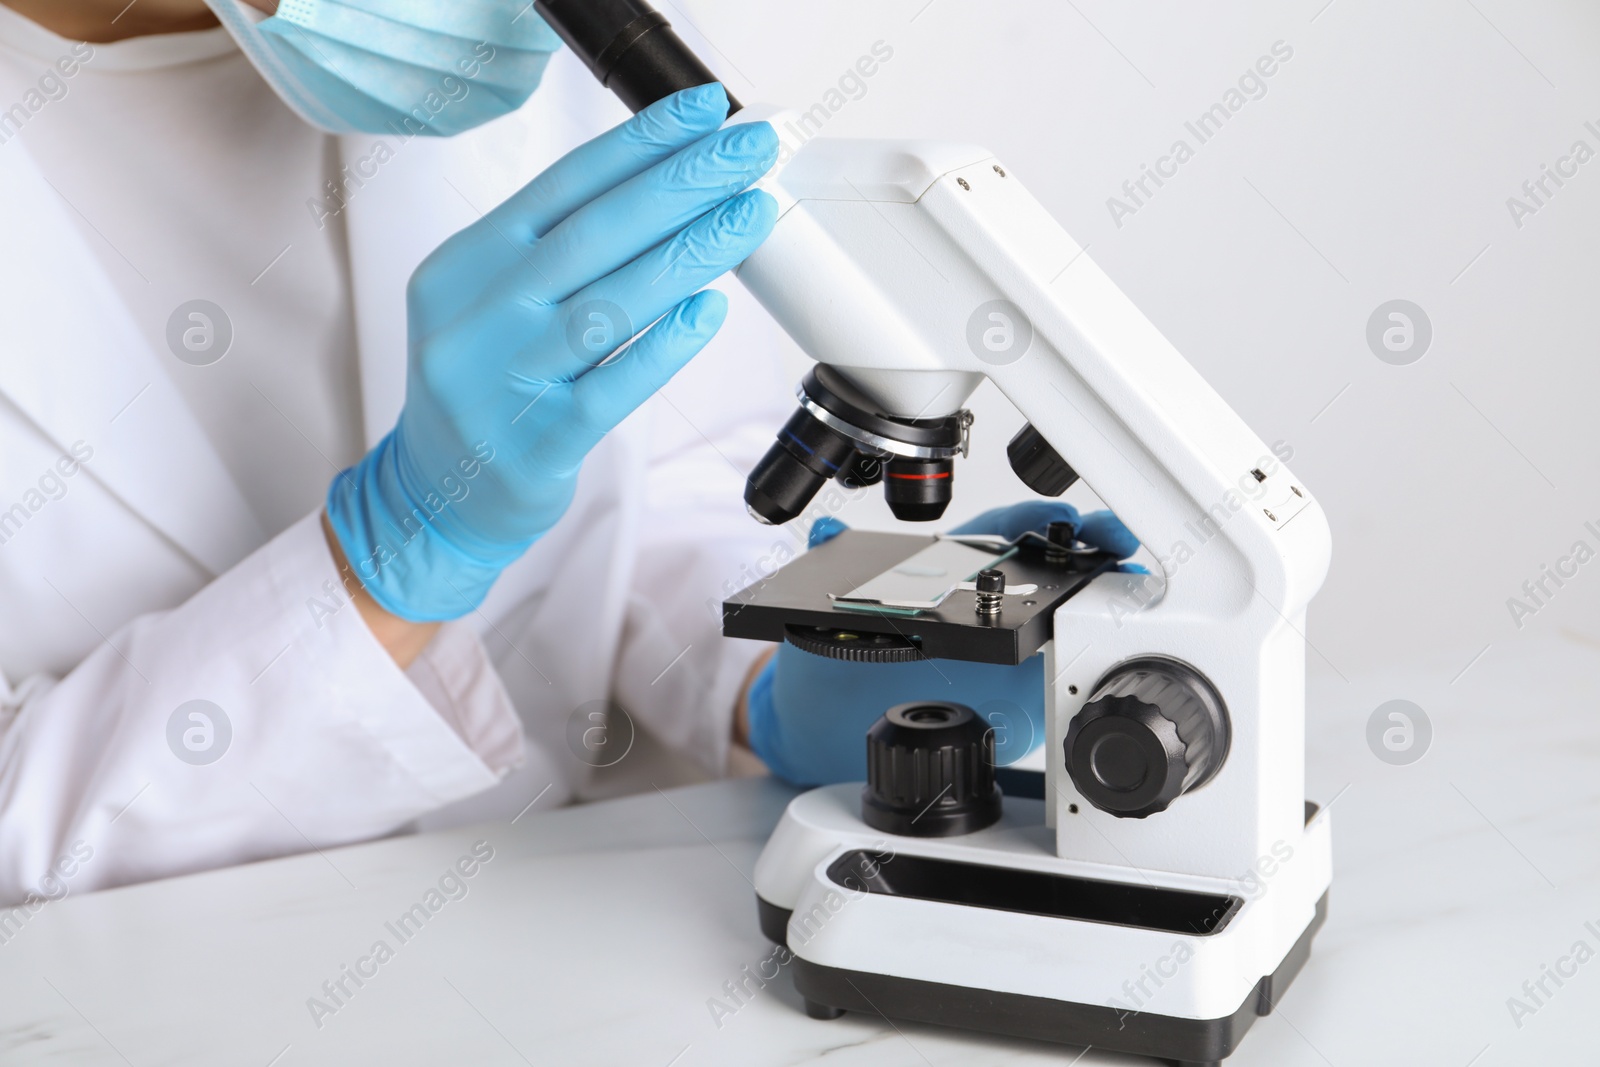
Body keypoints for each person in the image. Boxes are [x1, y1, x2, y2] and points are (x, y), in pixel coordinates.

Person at [0, 0, 1137, 905]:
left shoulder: (490, 38)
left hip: (544, 954)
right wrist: (391, 555)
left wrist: (775, 674)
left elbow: (666, 479)